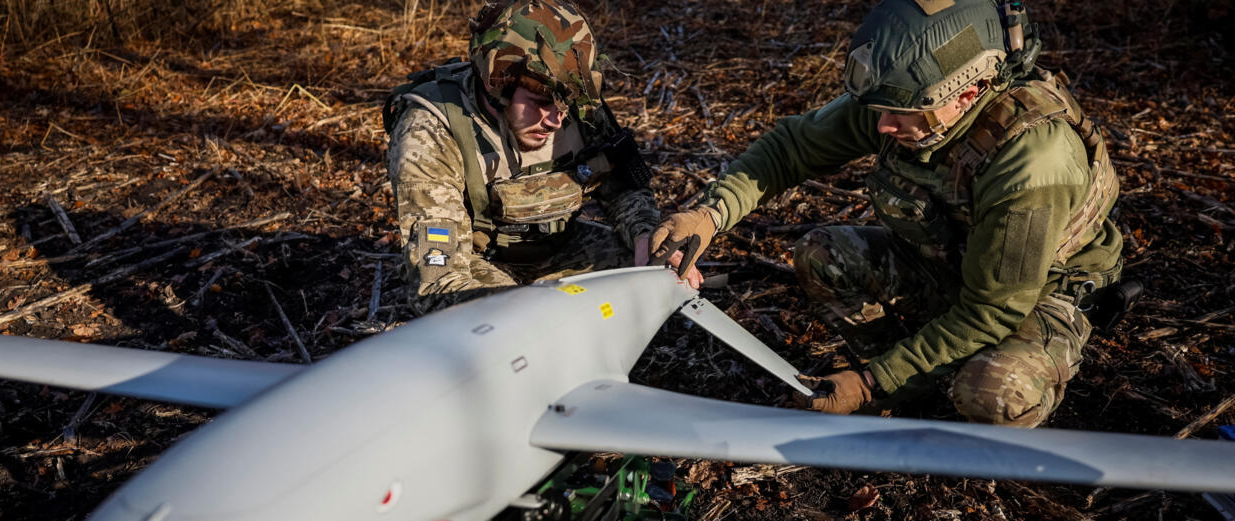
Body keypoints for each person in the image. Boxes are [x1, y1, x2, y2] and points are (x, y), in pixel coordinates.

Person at [648, 0, 1123, 428]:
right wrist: (707, 216)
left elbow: (993, 308)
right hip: (952, 267)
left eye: (901, 114)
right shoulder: (905, 99)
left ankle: (902, 378)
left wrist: (873, 382)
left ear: (966, 91)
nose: (883, 125)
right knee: (823, 255)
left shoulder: (1032, 161)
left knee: (994, 396)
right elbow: (791, 148)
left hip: (1037, 293)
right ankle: (909, 380)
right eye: (880, 109)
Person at [385, 0, 671, 313]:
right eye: (538, 102)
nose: (556, 120)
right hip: (475, 262)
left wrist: (646, 237)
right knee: (508, 324)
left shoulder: (574, 100)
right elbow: (439, 278)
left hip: (562, 248)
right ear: (497, 85)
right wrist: (530, 312)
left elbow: (624, 189)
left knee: (660, 277)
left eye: (564, 105)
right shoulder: (432, 129)